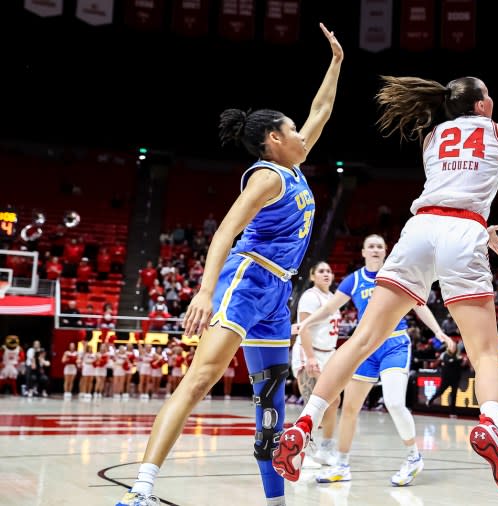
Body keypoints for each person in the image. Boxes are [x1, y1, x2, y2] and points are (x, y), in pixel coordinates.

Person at [273, 57, 498, 494]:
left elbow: (450, 188)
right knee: (485, 353)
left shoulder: (431, 136)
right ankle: (492, 424)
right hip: (463, 233)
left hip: (420, 229)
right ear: (483, 104)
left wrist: (474, 224)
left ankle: (305, 423)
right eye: (489, 94)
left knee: (360, 340)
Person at [115, 23, 343, 506]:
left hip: (278, 293)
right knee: (200, 379)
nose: (303, 133)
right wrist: (203, 290)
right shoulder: (266, 175)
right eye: (293, 129)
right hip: (247, 280)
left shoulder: (294, 165)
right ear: (275, 139)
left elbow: (321, 111)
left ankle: (275, 501)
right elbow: (224, 231)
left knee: (272, 406)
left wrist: (336, 63)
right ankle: (142, 490)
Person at [297, 236, 454, 486]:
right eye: (370, 245)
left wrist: (438, 331)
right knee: (349, 408)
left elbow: (419, 304)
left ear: (385, 251)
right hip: (365, 347)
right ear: (363, 251)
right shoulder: (355, 279)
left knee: (393, 402)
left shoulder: (397, 276)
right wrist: (306, 322)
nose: (375, 249)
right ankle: (342, 464)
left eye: (379, 246)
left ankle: (413, 457)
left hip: (394, 344)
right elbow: (329, 309)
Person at [290, 261, 342, 466]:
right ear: (312, 276)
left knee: (334, 401)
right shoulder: (310, 297)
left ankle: (326, 448)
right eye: (321, 271)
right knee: (313, 403)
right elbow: (303, 328)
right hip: (310, 352)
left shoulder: (332, 298)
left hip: (329, 354)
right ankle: (301, 451)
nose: (326, 274)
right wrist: (310, 357)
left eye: (329, 271)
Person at [427, 339, 465, 416]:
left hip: (455, 378)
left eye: (454, 347)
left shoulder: (458, 355)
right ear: (449, 347)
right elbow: (449, 362)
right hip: (446, 378)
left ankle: (452, 412)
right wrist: (457, 360)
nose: (453, 348)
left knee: (454, 395)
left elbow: (460, 364)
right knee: (440, 391)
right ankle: (430, 400)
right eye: (452, 346)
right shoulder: (445, 354)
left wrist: (458, 361)